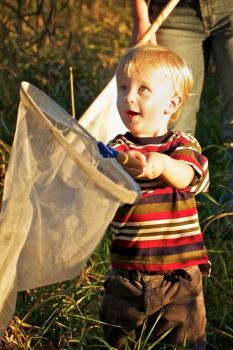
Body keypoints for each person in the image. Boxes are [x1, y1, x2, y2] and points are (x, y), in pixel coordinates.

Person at [99, 44, 210, 349]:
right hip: (126, 278)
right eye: (123, 88)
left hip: (179, 279)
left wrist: (160, 165)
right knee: (118, 343)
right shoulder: (117, 148)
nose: (129, 96)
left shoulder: (182, 144)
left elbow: (189, 176)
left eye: (143, 89)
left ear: (171, 104)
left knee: (183, 343)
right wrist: (118, 166)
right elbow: (105, 180)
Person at [131, 0, 233, 217]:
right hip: (174, 15)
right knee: (171, 125)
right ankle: (168, 225)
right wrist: (140, 17)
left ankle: (228, 220)